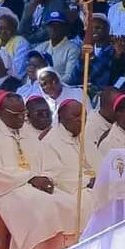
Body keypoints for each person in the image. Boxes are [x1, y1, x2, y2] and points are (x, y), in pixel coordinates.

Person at [0, 91, 76, 249]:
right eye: (16, 115)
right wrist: (30, 179)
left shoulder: (27, 133)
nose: (21, 119)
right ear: (0, 112)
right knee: (45, 205)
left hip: (29, 185)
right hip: (4, 189)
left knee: (69, 202)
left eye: (23, 114)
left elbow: (48, 162)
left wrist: (46, 178)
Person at [42, 99, 102, 231]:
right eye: (76, 116)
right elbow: (56, 176)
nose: (81, 120)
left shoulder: (85, 138)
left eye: (84, 116)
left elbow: (100, 164)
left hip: (93, 185)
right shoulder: (51, 141)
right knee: (87, 200)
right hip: (73, 190)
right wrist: (87, 181)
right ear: (61, 117)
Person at [69, 14, 114, 90]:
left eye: (98, 28)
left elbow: (103, 78)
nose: (94, 31)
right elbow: (74, 79)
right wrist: (82, 60)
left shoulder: (113, 50)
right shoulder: (86, 49)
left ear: (107, 29)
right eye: (91, 28)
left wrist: (92, 59)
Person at [33, 11, 79, 81]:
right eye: (51, 26)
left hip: (61, 88)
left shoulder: (73, 49)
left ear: (65, 28)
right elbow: (32, 71)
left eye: (58, 25)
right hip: (39, 87)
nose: (53, 29)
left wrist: (49, 83)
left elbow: (69, 77)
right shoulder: (41, 47)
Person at [0, 13, 29, 79]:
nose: (3, 31)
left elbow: (17, 70)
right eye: (0, 28)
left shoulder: (21, 42)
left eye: (7, 28)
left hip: (12, 82)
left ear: (14, 29)